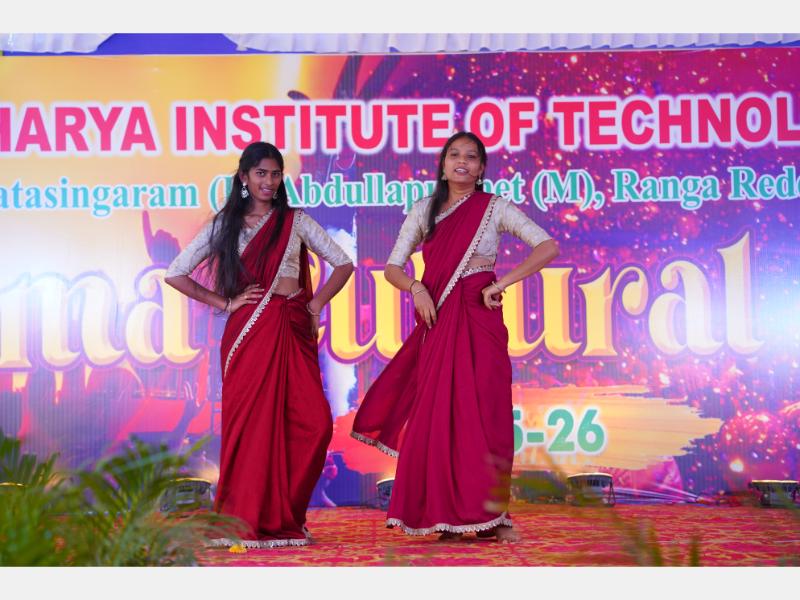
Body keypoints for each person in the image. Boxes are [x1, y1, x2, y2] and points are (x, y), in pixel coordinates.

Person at [352, 131, 559, 542]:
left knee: (488, 414)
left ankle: (491, 515)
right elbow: (393, 268)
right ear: (443, 165)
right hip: (439, 318)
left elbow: (547, 247)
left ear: (481, 169)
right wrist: (416, 288)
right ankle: (445, 515)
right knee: (440, 415)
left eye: (471, 156)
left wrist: (502, 283)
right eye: (454, 155)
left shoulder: (494, 207)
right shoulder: (424, 210)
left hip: (481, 316)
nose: (462, 161)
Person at [165, 142, 353, 548]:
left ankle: (284, 514)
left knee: (315, 424)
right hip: (249, 332)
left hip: (291, 327)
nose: (269, 181)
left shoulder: (296, 221)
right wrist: (225, 303)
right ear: (244, 177)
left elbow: (343, 263)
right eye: (261, 173)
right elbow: (176, 273)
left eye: (275, 174)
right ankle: (246, 517)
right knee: (251, 428)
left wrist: (315, 304)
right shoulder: (226, 224)